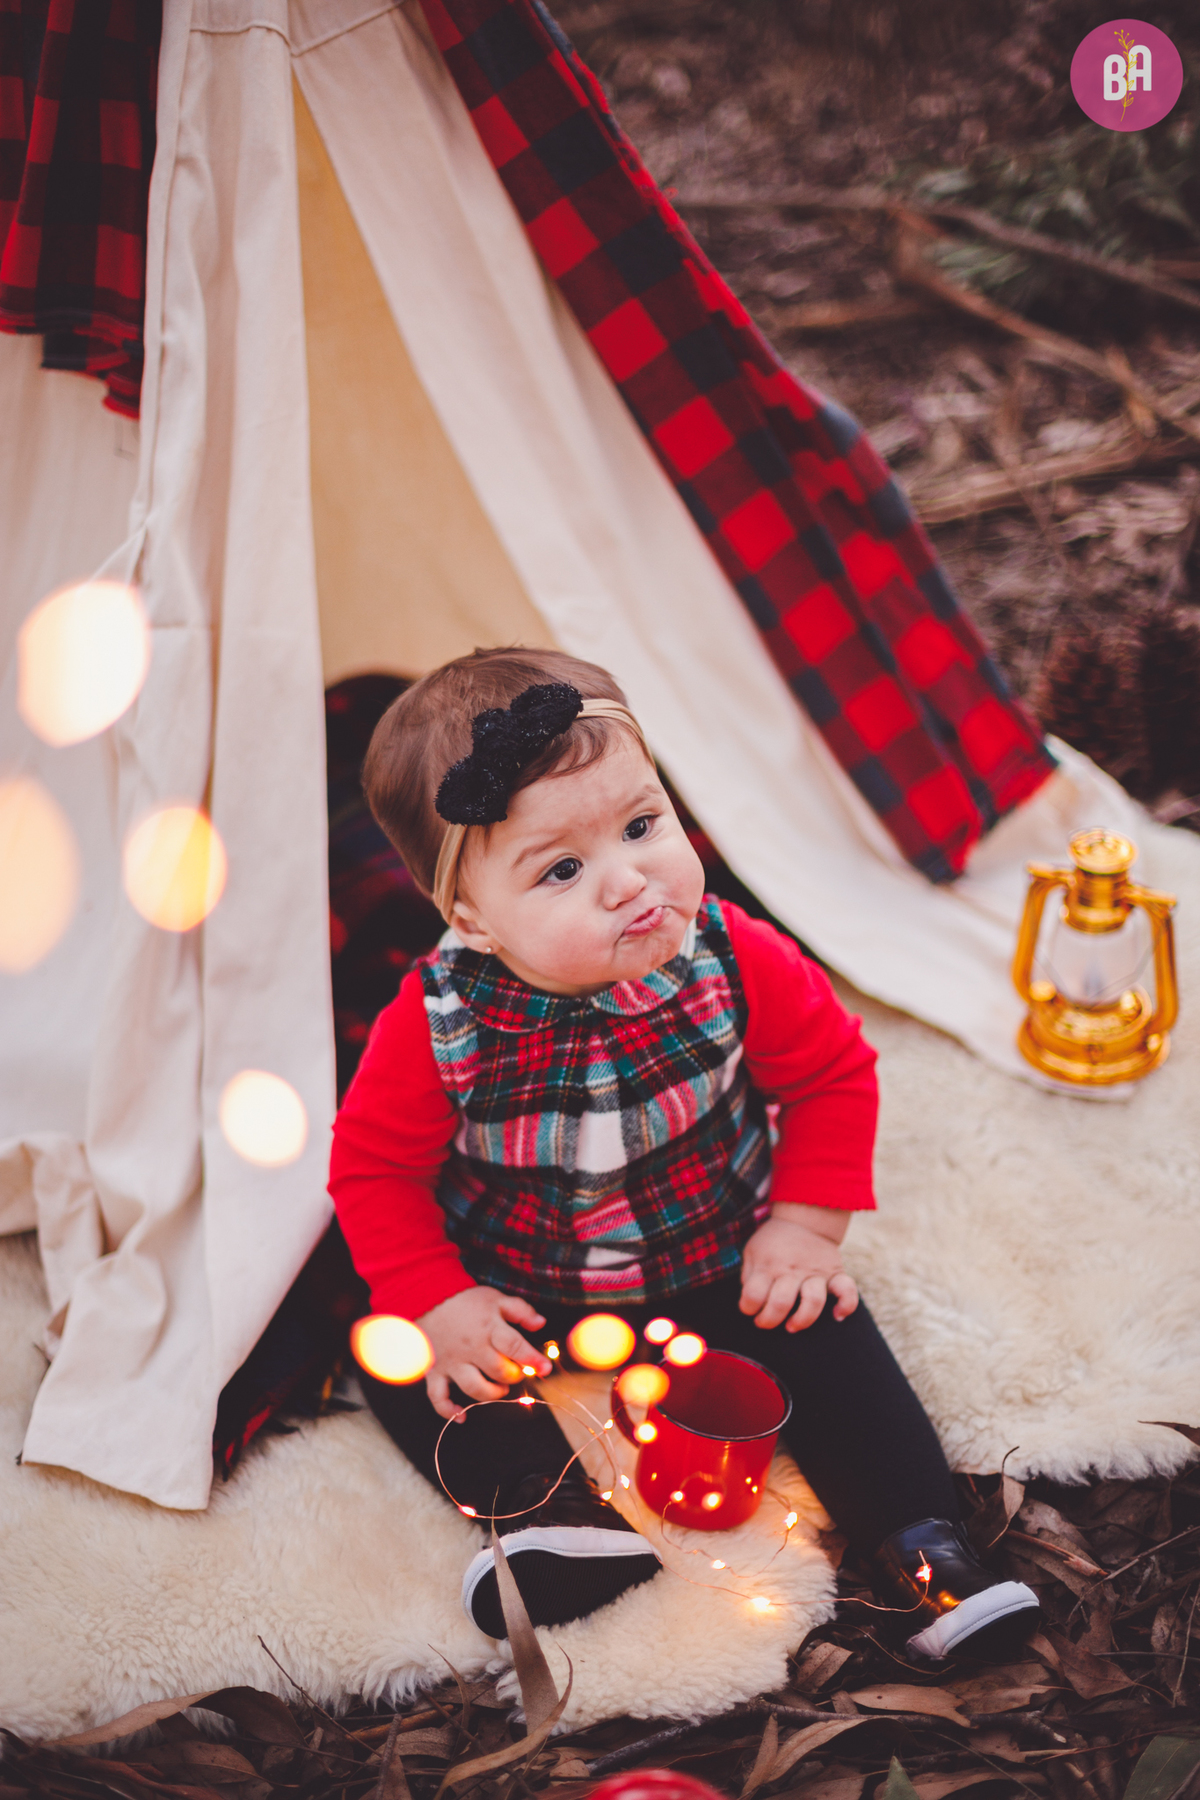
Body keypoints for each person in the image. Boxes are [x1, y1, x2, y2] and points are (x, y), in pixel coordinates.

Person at [329, 647, 1039, 1662]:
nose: (630, 881)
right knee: (397, 1347)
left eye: (641, 825)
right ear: (472, 917)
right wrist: (440, 1299)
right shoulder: (435, 1023)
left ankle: (923, 1546)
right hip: (521, 1286)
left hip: (718, 1253)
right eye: (562, 869)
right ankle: (545, 1515)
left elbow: (832, 1075)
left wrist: (804, 1229)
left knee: (827, 1327)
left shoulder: (735, 956)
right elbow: (374, 1170)